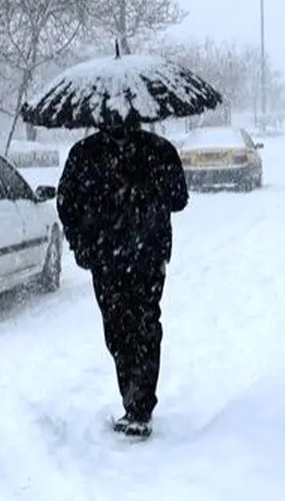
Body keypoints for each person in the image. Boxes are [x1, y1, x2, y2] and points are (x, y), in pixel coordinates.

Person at [56, 112, 189, 438]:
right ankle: (138, 401)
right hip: (136, 256)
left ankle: (137, 403)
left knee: (122, 327)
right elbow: (178, 199)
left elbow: (66, 204)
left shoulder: (88, 153)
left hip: (118, 258)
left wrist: (83, 241)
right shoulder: (156, 150)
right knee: (140, 326)